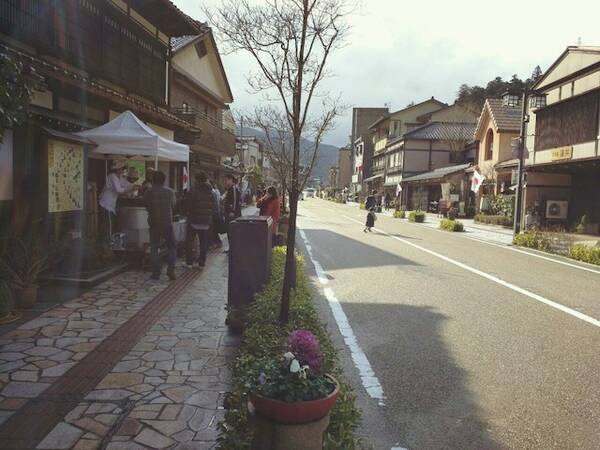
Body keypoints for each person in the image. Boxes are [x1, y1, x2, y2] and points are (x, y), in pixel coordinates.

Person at [144, 170, 177, 281]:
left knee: (154, 247)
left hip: (153, 222)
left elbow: (146, 206)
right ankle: (171, 270)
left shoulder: (148, 192)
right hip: (167, 222)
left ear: (153, 180)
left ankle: (156, 272)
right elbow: (173, 205)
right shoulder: (170, 192)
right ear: (164, 180)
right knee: (172, 247)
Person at [184, 171, 217, 269]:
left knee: (189, 241)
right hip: (206, 221)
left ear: (196, 180)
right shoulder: (211, 192)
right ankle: (201, 264)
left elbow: (188, 206)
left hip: (194, 220)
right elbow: (215, 207)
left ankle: (189, 262)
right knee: (203, 242)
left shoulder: (193, 191)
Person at [99, 165, 137, 239]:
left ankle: (108, 241)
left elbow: (127, 185)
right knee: (108, 225)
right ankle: (108, 242)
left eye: (124, 169)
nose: (123, 170)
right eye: (122, 169)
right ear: (116, 169)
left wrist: (135, 186)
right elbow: (118, 190)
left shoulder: (119, 177)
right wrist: (130, 190)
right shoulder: (112, 176)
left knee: (110, 224)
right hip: (106, 203)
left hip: (110, 204)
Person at [223, 174, 242, 252]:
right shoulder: (229, 189)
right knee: (229, 231)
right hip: (229, 214)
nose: (225, 182)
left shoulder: (233, 188)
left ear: (231, 180)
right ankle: (231, 247)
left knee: (232, 231)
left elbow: (234, 201)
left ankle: (234, 248)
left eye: (226, 180)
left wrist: (232, 211)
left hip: (232, 214)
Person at [209, 180, 223, 249]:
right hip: (217, 212)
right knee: (214, 229)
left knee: (212, 230)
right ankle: (217, 242)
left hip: (213, 213)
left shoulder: (212, 193)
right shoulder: (217, 191)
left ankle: (214, 243)